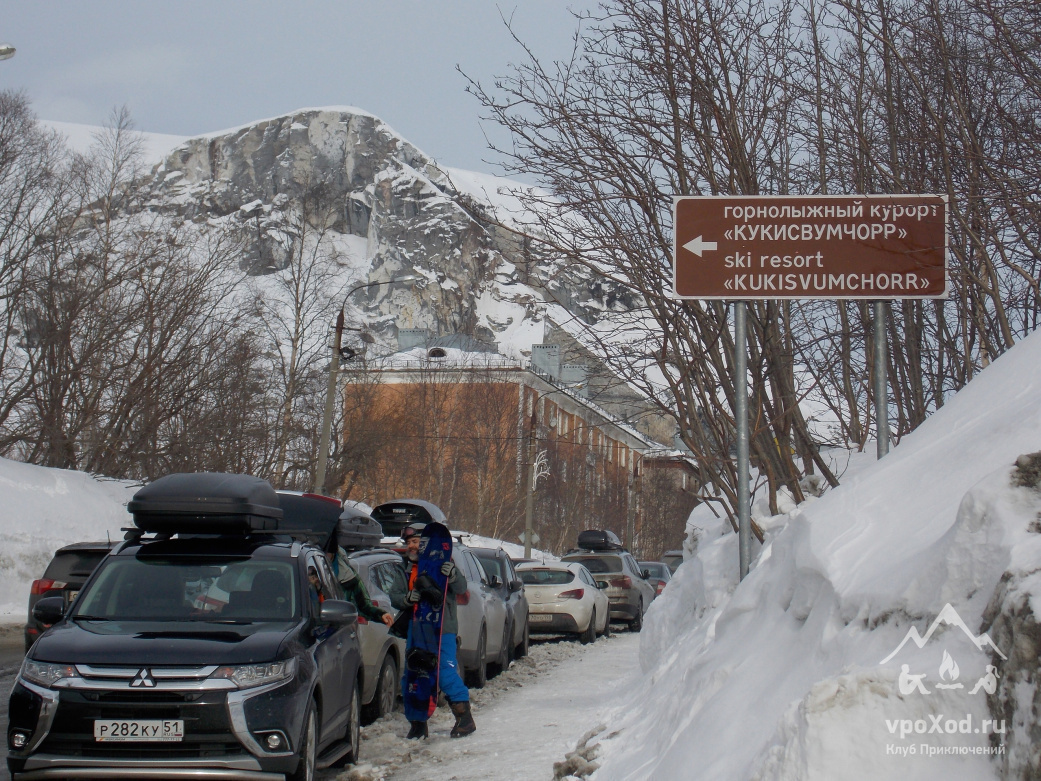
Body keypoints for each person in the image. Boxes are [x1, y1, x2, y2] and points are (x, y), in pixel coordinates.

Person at [389, 525, 475, 739]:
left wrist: (452, 575)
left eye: (416, 542)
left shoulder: (445, 564)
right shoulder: (405, 568)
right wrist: (407, 599)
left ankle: (464, 718)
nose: (411, 546)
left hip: (443, 629)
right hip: (417, 628)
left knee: (444, 672)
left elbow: (461, 588)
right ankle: (417, 723)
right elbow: (395, 595)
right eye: (409, 543)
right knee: (414, 674)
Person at [324, 536, 393, 627]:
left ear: (334, 553)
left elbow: (364, 606)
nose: (325, 558)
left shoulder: (348, 578)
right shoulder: (309, 569)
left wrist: (381, 614)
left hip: (340, 630)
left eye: (327, 553)